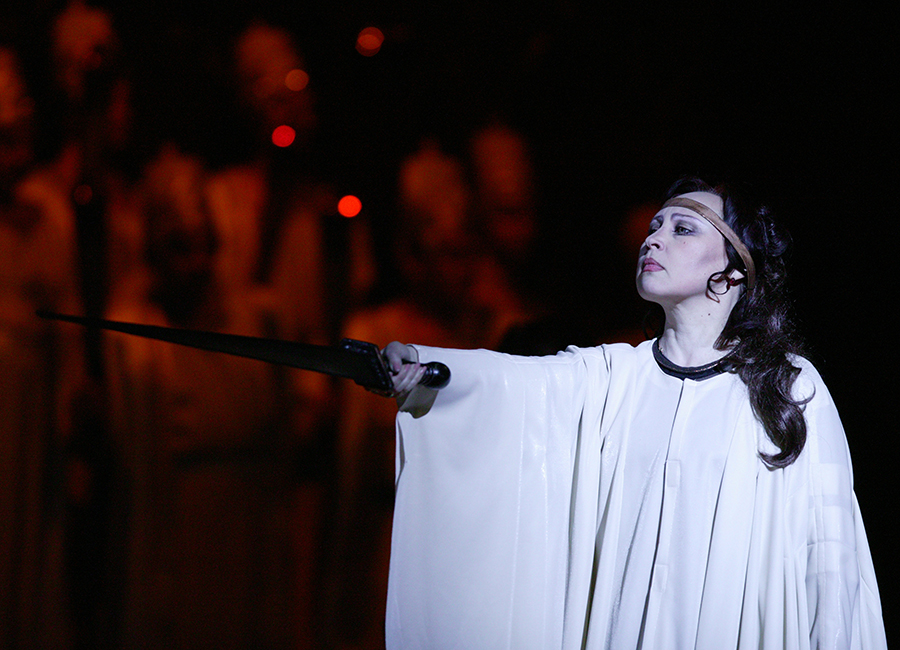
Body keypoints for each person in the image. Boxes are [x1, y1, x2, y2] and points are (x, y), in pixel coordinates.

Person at [381, 178, 886, 649]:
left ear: (734, 268)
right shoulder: (611, 376)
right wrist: (428, 368)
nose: (655, 239)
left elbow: (831, 552)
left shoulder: (785, 384)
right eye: (653, 228)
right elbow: (512, 387)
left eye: (682, 229)